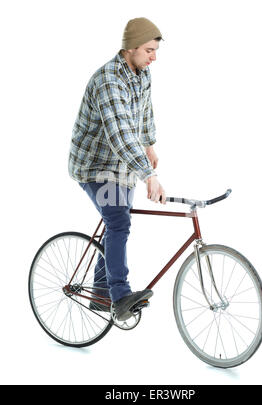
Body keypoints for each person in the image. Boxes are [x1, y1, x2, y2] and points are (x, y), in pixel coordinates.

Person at [68, 17, 166, 321]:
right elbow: (120, 134)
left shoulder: (141, 73)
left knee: (116, 224)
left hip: (121, 166)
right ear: (131, 48)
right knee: (119, 222)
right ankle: (120, 296)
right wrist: (148, 175)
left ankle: (100, 294)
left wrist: (148, 143)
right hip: (97, 168)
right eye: (149, 50)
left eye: (155, 50)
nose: (154, 56)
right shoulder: (108, 81)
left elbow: (144, 111)